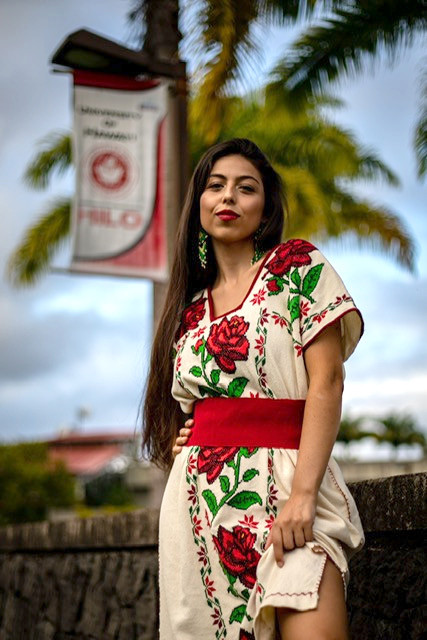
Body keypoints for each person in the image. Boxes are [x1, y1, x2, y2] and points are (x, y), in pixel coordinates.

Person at [143, 138, 364, 640]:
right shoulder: (189, 310)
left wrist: (303, 496)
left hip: (292, 486)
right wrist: (189, 437)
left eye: (246, 188)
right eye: (215, 186)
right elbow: (194, 407)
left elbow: (327, 381)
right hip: (200, 503)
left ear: (264, 208)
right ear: (199, 202)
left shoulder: (297, 268)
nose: (228, 197)